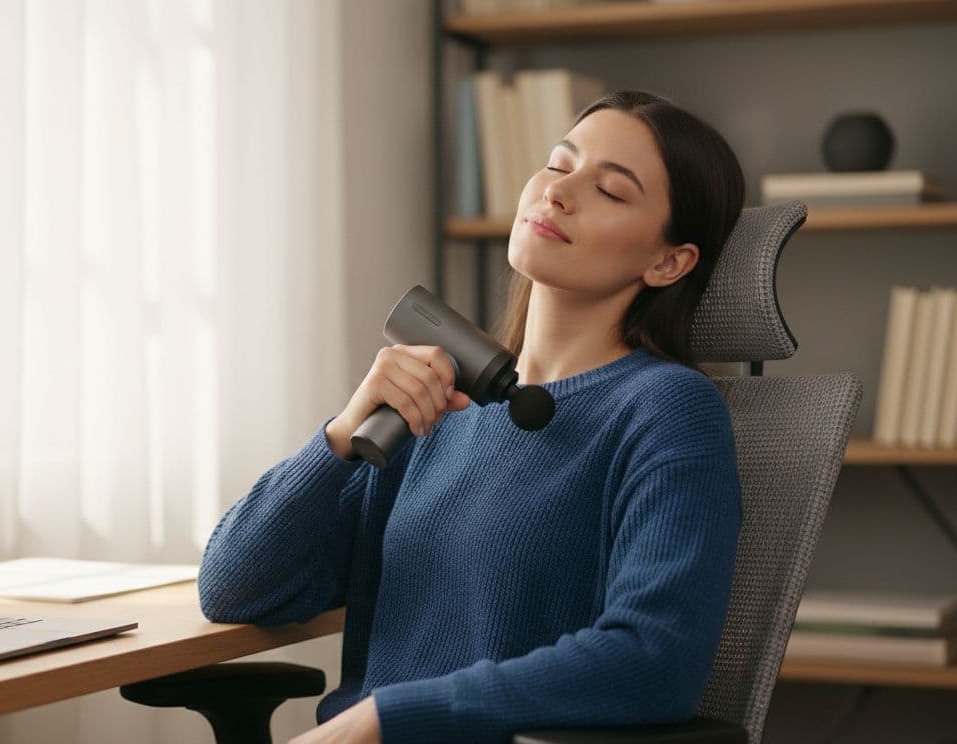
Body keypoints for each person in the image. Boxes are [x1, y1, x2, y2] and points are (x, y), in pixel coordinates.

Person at [197, 90, 746, 744]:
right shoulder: (443, 404)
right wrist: (340, 439)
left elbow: (654, 663)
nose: (559, 192)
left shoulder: (667, 410)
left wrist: (385, 717)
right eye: (557, 163)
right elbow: (233, 588)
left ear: (668, 261)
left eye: (612, 191)